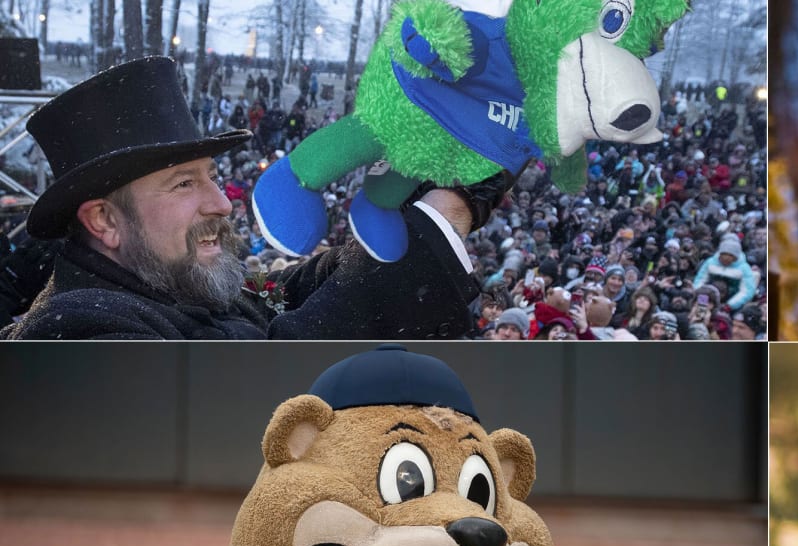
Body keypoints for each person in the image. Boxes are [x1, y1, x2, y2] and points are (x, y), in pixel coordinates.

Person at [5, 57, 494, 340]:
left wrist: (440, 188)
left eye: (211, 176)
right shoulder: (79, 331)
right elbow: (266, 387)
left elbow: (297, 291)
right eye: (183, 183)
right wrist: (447, 214)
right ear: (105, 221)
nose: (221, 202)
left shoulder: (176, 282)